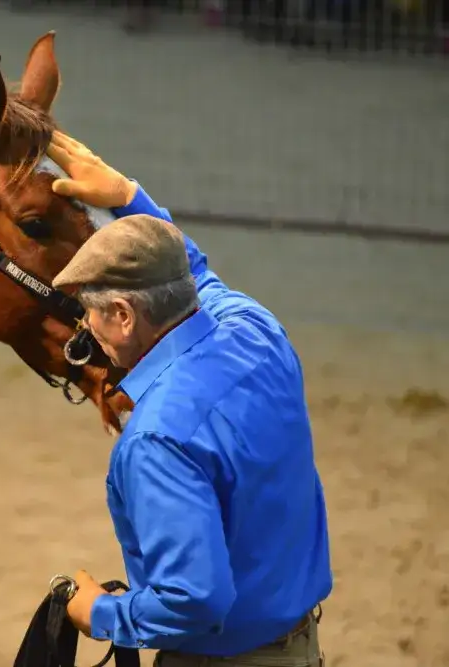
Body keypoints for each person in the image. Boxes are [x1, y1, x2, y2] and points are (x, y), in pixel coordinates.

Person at [45, 131, 332, 667]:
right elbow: (192, 270)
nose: (86, 325)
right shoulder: (255, 330)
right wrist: (129, 198)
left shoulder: (156, 438)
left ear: (125, 316)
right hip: (300, 648)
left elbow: (195, 599)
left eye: (91, 310)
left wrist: (100, 614)